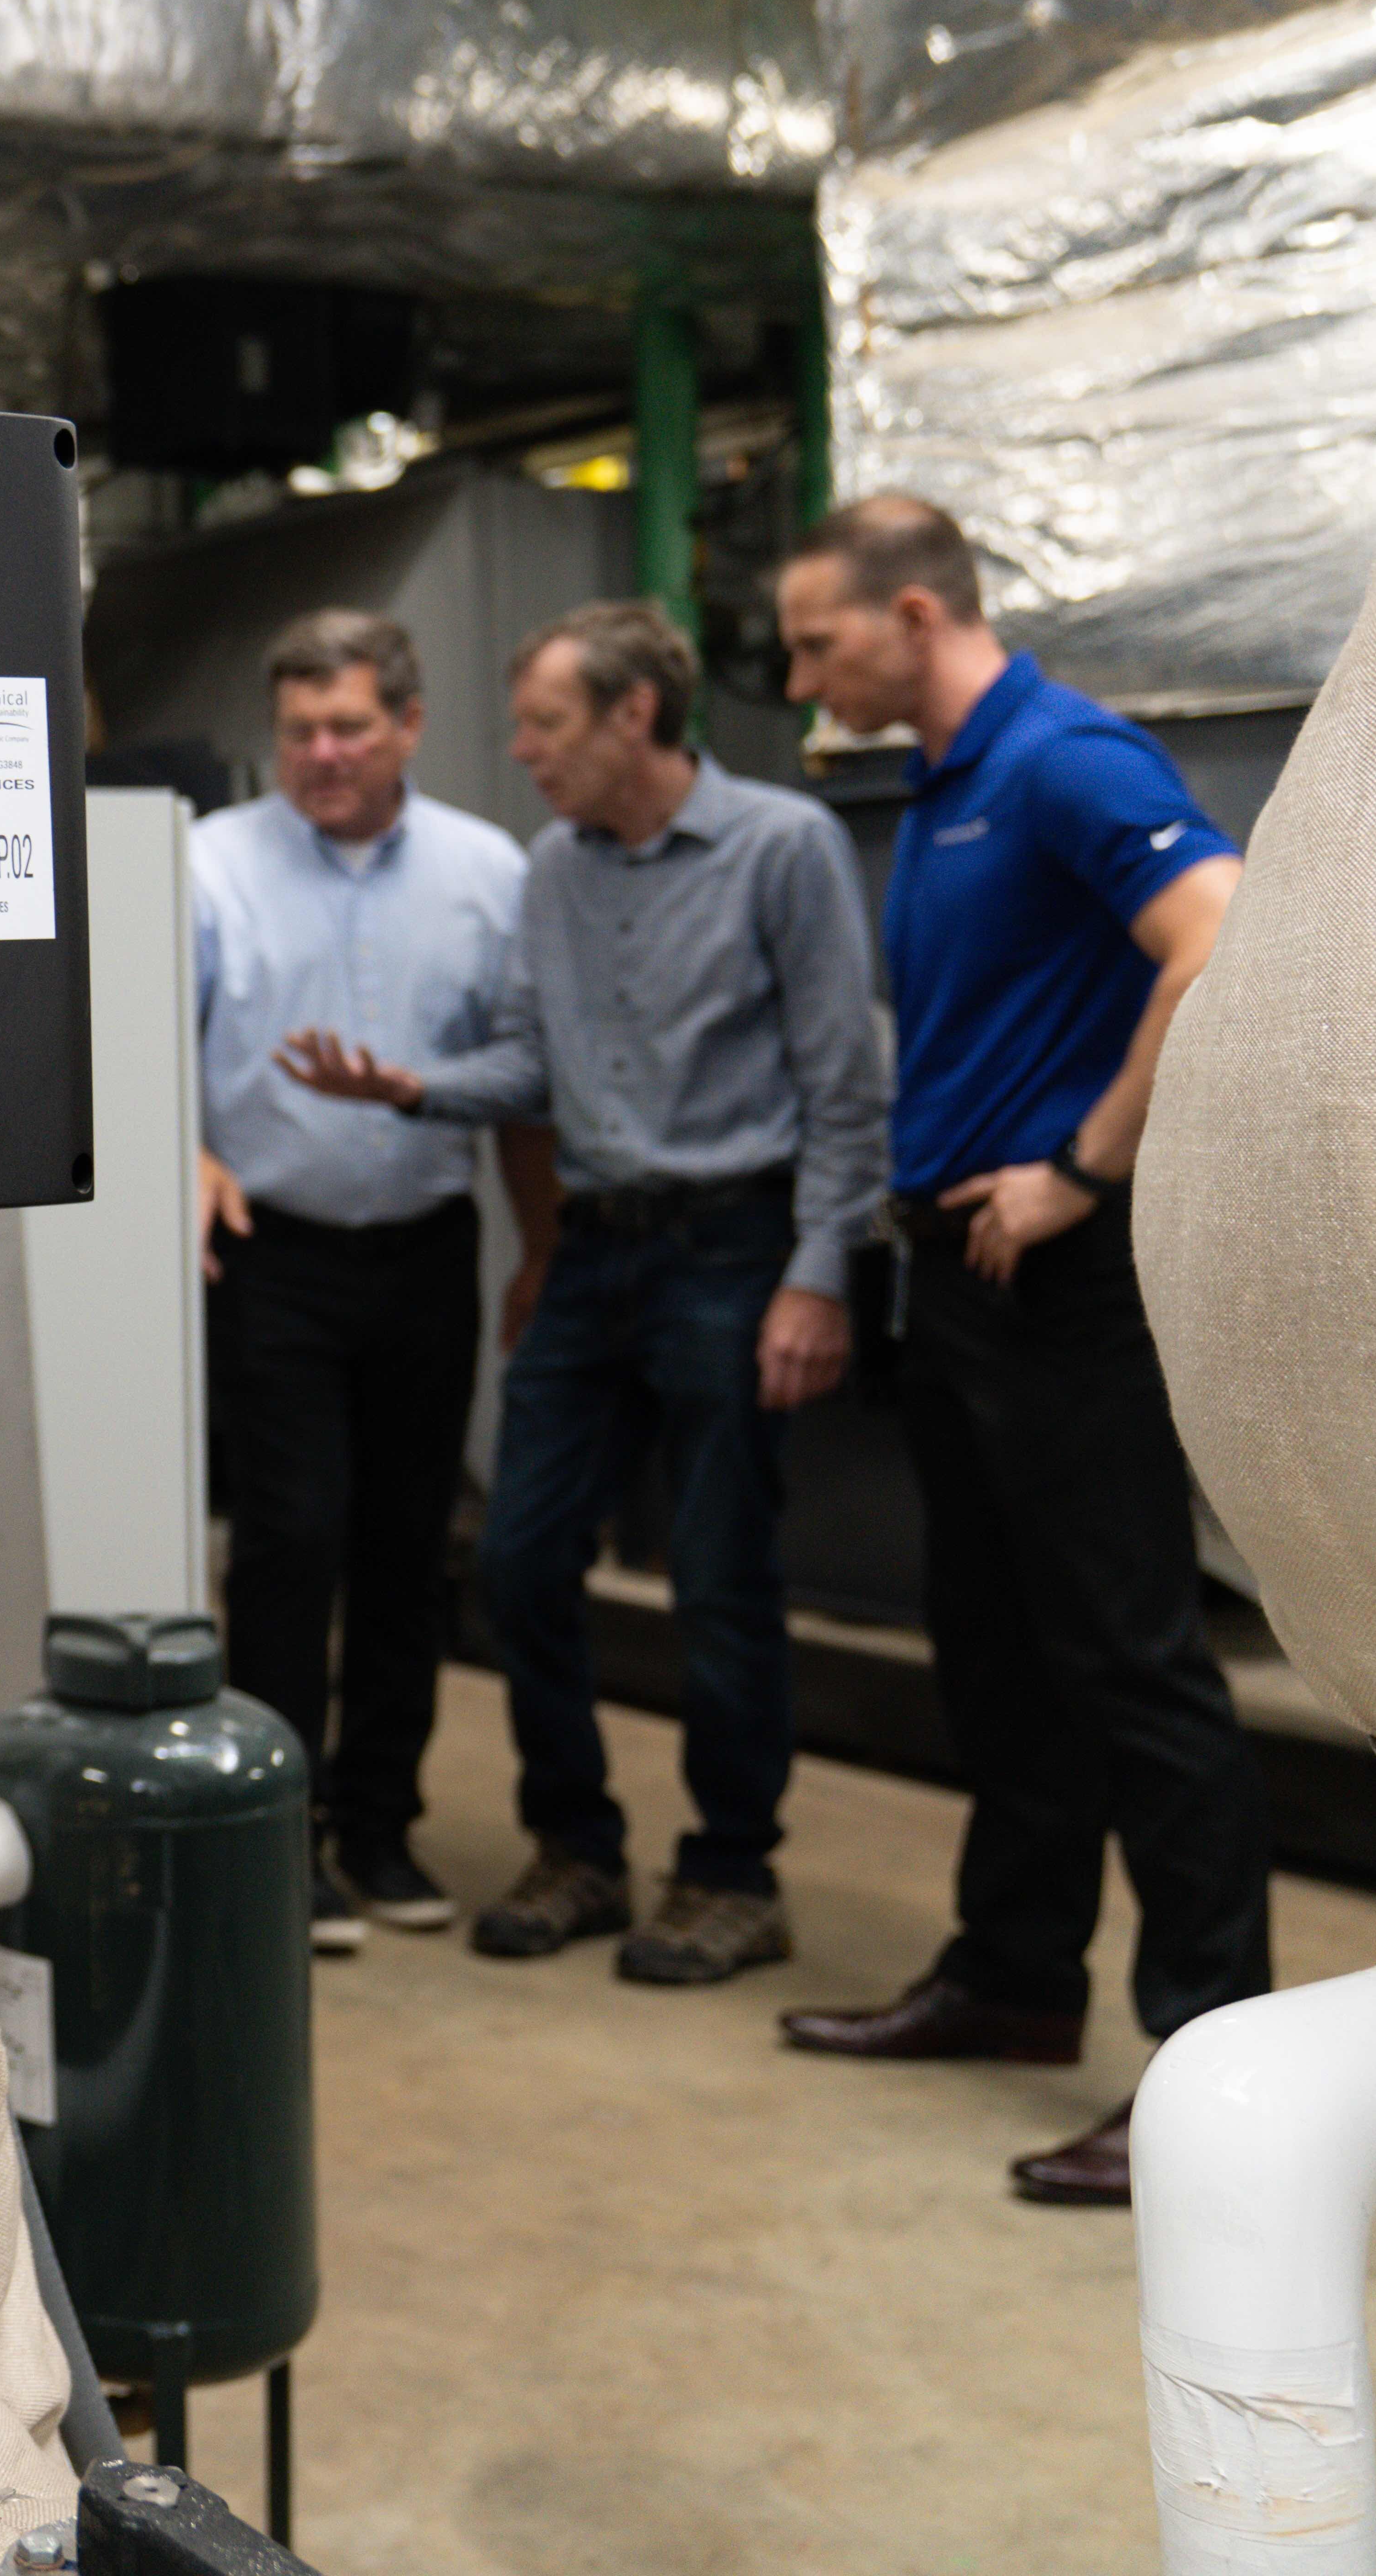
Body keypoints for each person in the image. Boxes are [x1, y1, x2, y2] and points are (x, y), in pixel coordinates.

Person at [765, 497, 1272, 2209]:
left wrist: (1086, 1162)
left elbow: (1218, 931)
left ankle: (1213, 2076)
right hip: (965, 1285)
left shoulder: (1063, 759)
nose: (800, 672)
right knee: (1000, 1656)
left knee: (1135, 1665)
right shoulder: (944, 784)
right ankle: (1013, 1978)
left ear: (918, 612)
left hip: (1063, 1280)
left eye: (821, 640)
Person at [282, 601, 886, 1985]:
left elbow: (846, 1093)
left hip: (735, 1251)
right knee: (519, 1560)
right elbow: (534, 1068)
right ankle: (582, 1848)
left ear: (633, 717)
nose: (524, 752)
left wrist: (818, 1276)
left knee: (723, 1578)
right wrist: (414, 1088)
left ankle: (734, 1871)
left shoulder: (782, 850)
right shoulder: (553, 869)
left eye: (547, 725)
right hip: (598, 1253)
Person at [190, 610, 559, 1957]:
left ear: (407, 724)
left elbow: (526, 1079)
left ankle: (382, 1824)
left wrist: (543, 1247)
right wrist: (189, 1155)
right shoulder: (207, 863)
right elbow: (140, 1043)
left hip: (426, 1252)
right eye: (299, 733)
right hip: (271, 1252)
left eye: (349, 728)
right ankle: (282, 1846)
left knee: (410, 1546)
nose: (324, 755)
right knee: (293, 1542)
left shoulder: (488, 870)